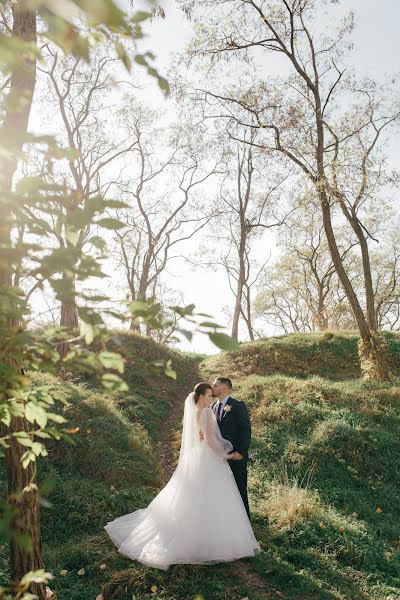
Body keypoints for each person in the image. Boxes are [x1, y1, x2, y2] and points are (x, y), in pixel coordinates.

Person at [104, 382, 260, 570]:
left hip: (197, 457)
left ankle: (197, 533)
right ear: (202, 396)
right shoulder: (207, 412)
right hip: (209, 457)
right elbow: (210, 440)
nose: (211, 398)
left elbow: (200, 436)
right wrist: (223, 455)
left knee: (196, 495)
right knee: (214, 495)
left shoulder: (196, 411)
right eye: (209, 395)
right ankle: (214, 537)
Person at [211, 377, 251, 517]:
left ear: (224, 388)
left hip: (236, 457)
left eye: (215, 385)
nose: (212, 388)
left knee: (239, 490)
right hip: (219, 458)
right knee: (223, 491)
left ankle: (246, 523)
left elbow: (246, 429)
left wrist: (241, 452)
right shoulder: (212, 407)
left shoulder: (237, 405)